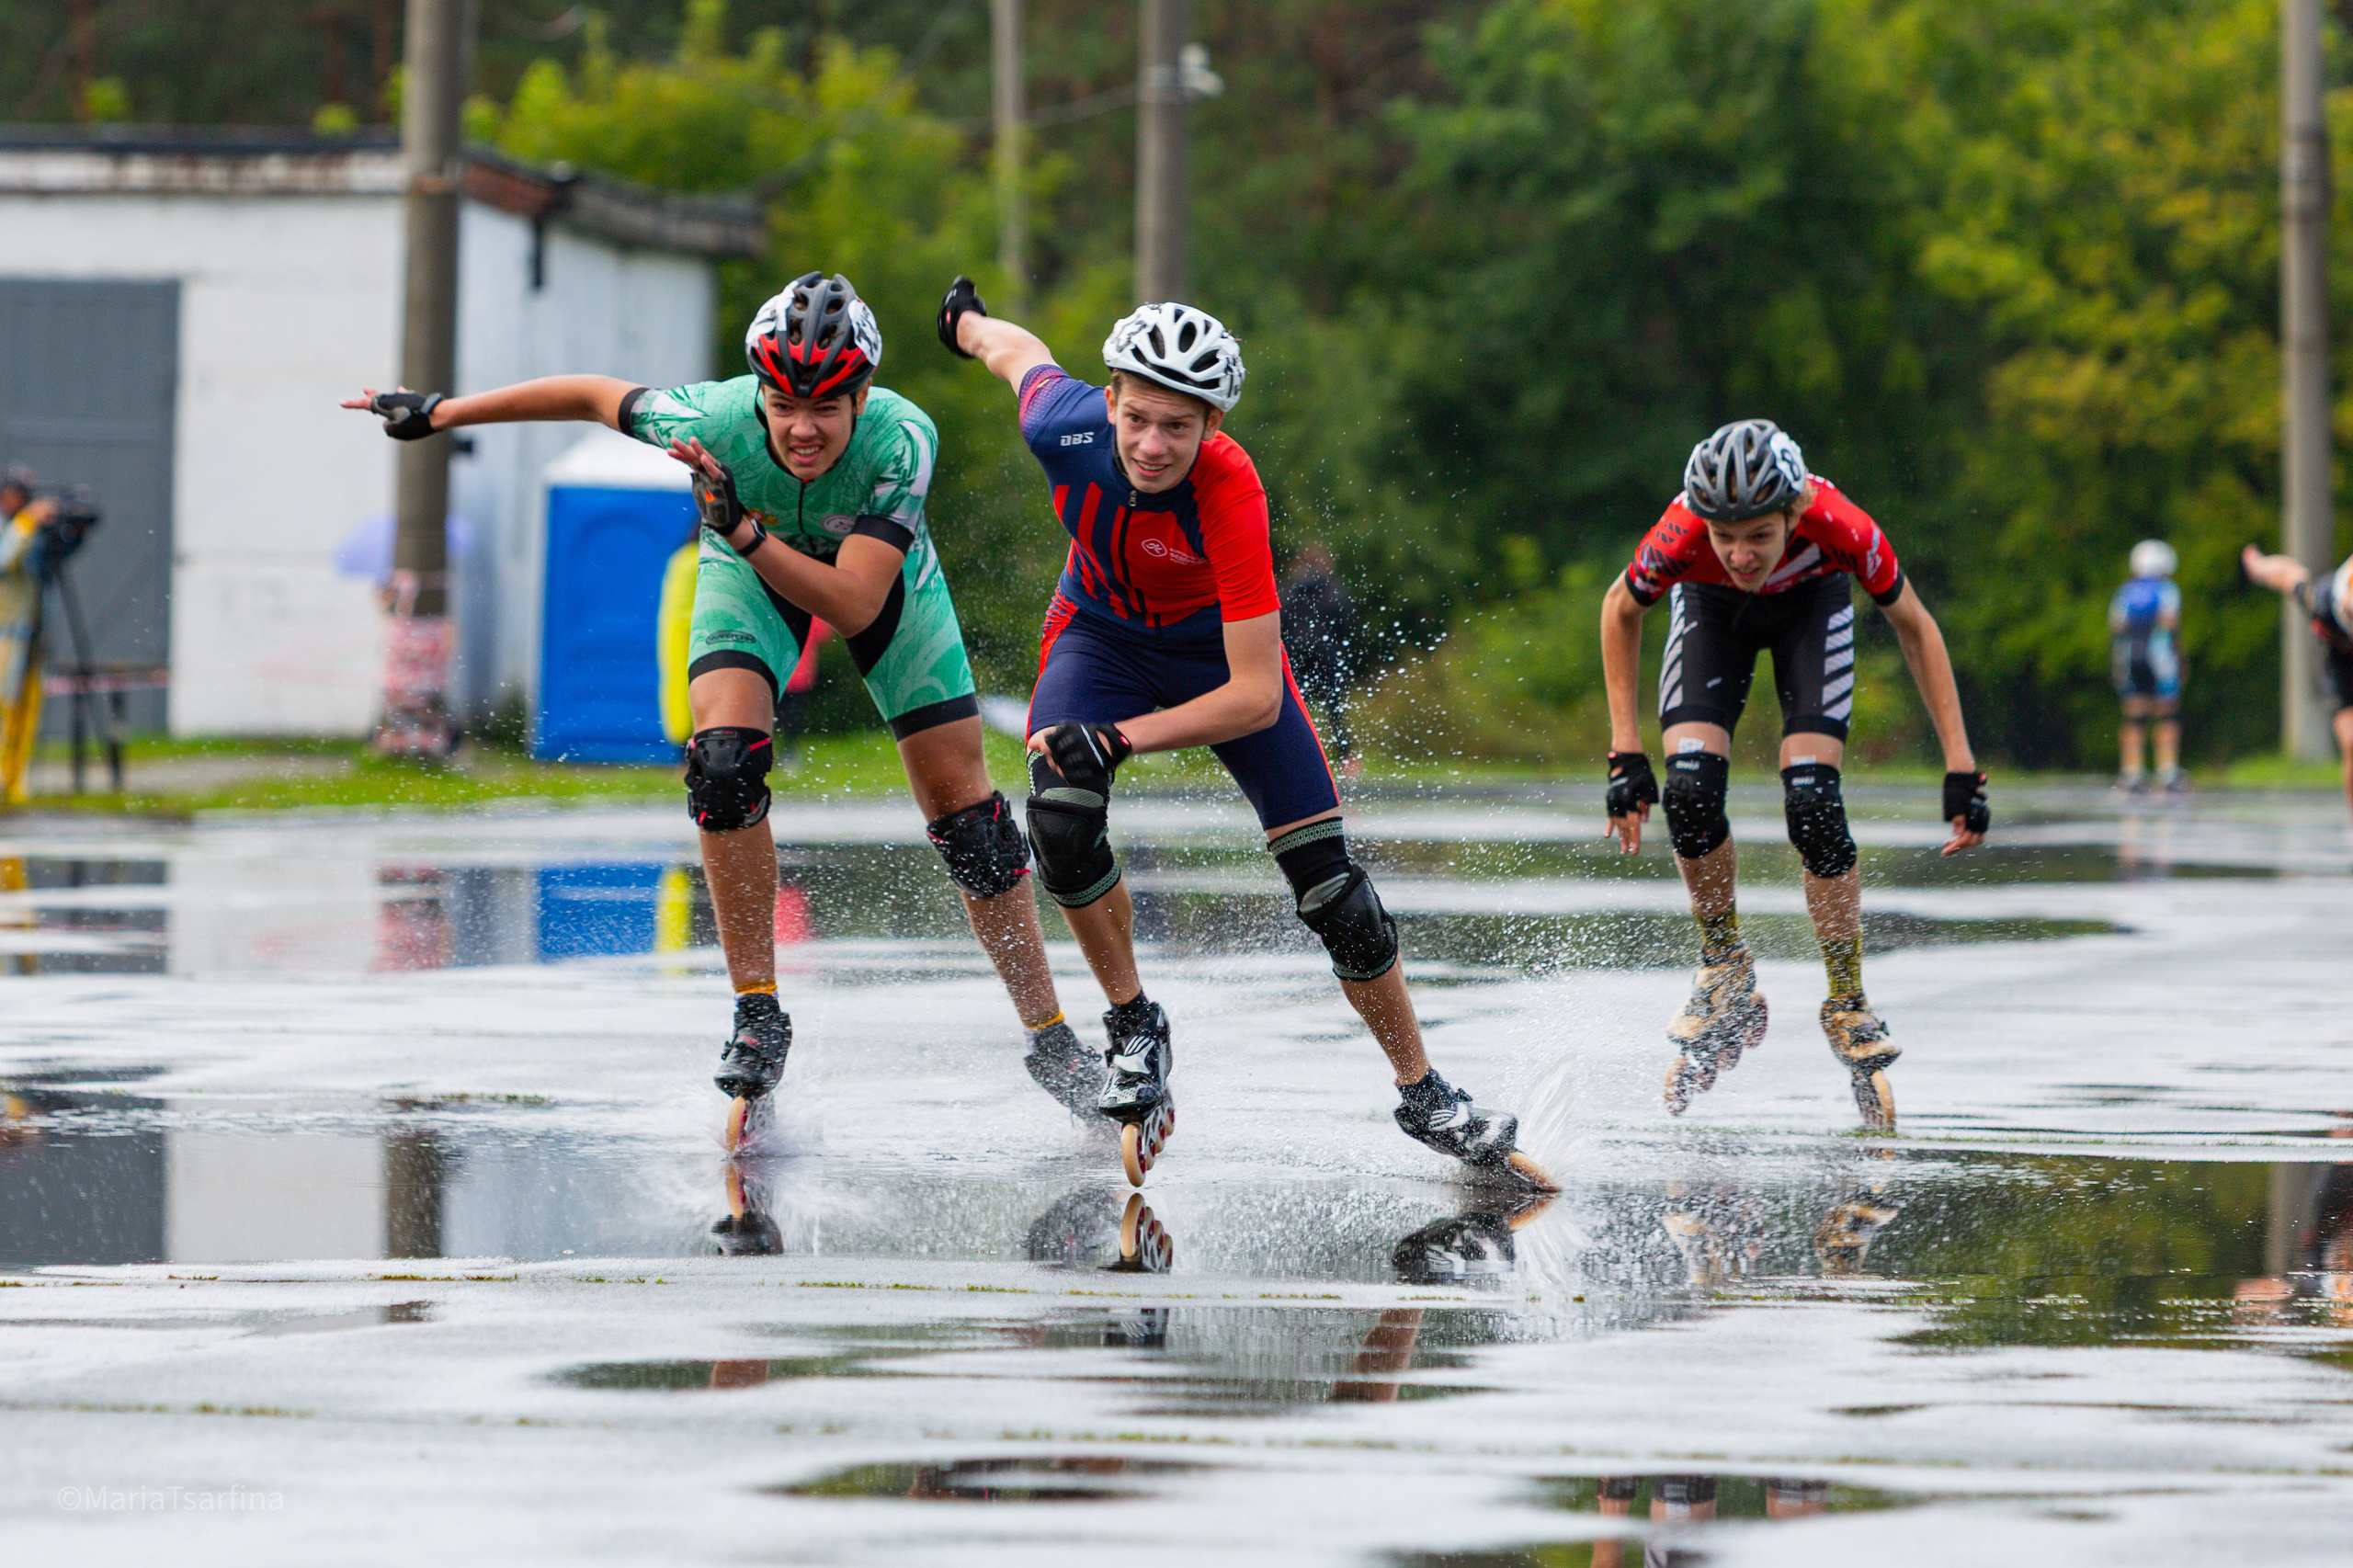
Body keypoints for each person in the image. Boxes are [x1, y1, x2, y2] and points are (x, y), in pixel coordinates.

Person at [346, 272, 1089, 1132]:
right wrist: (440, 414)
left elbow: (851, 603)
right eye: (783, 404)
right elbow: (592, 394)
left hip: (877, 587)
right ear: (759, 392)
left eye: (827, 408)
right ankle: (758, 1014)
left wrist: (743, 529)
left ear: (863, 395)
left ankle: (1051, 1037)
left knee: (974, 829)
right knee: (725, 770)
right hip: (749, 571)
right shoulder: (711, 417)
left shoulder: (901, 438)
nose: (802, 428)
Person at [939, 275, 1553, 1190]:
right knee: (1059, 818)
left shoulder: (1229, 490)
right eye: (1138, 418)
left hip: (1217, 666)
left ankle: (1425, 1091)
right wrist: (966, 324)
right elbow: (1015, 356)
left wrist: (1121, 740)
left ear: (1212, 427)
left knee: (1334, 892)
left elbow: (1256, 697)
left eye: (1178, 428)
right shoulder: (1060, 424)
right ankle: (1134, 1025)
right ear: (1107, 400)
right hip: (1098, 641)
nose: (1152, 445)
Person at [1597, 419, 1990, 1129]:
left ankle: (1847, 997)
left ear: (1793, 514)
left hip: (1811, 610)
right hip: (1710, 612)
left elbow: (1917, 626)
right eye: (1727, 537)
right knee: (1688, 792)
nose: (1743, 554)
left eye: (1760, 535)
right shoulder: (1687, 529)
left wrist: (1959, 763)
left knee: (1812, 802)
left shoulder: (1841, 525)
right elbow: (1619, 609)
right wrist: (1625, 750)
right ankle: (1726, 966)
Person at [2242, 541, 2353, 822]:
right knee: (2351, 740)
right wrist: (2260, 567)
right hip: (2341, 661)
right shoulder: (2322, 601)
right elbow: (2291, 575)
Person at [0, 465, 58, 806]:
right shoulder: (17, 527)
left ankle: (16, 779)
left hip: (31, 631)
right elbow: (4, 558)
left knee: (27, 707)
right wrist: (27, 523)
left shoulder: (30, 528)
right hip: (5, 630)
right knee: (3, 704)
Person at [2110, 539, 2185, 793]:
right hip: (2160, 658)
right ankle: (2167, 773)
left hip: (2129, 657)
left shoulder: (2126, 591)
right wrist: (2179, 658)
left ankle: (2131, 773)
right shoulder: (2167, 589)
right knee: (2167, 713)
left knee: (2134, 715)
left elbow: (2117, 627)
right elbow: (2170, 623)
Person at [1281, 542, 1361, 774]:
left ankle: (1292, 756)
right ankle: (1346, 760)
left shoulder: (1292, 588)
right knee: (1336, 710)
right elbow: (1346, 620)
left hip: (1298, 655)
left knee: (1295, 708)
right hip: (1327, 655)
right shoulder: (1332, 589)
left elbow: (1283, 621)